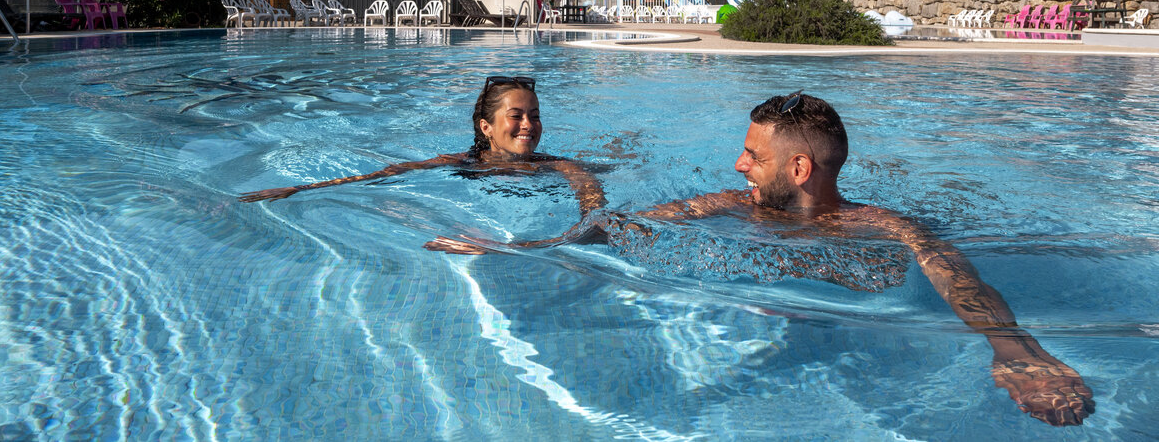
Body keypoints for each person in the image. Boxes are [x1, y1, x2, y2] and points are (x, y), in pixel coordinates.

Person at [433, 91, 1095, 427]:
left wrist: (1015, 350)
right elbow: (621, 224)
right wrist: (523, 248)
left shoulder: (885, 226)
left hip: (853, 326)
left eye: (753, 155)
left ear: (799, 168)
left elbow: (956, 276)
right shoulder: (732, 203)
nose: (738, 164)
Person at [238, 75, 606, 225]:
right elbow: (385, 174)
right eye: (516, 116)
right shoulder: (460, 163)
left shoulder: (561, 167)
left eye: (535, 116)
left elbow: (594, 217)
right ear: (486, 127)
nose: (528, 125)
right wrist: (301, 189)